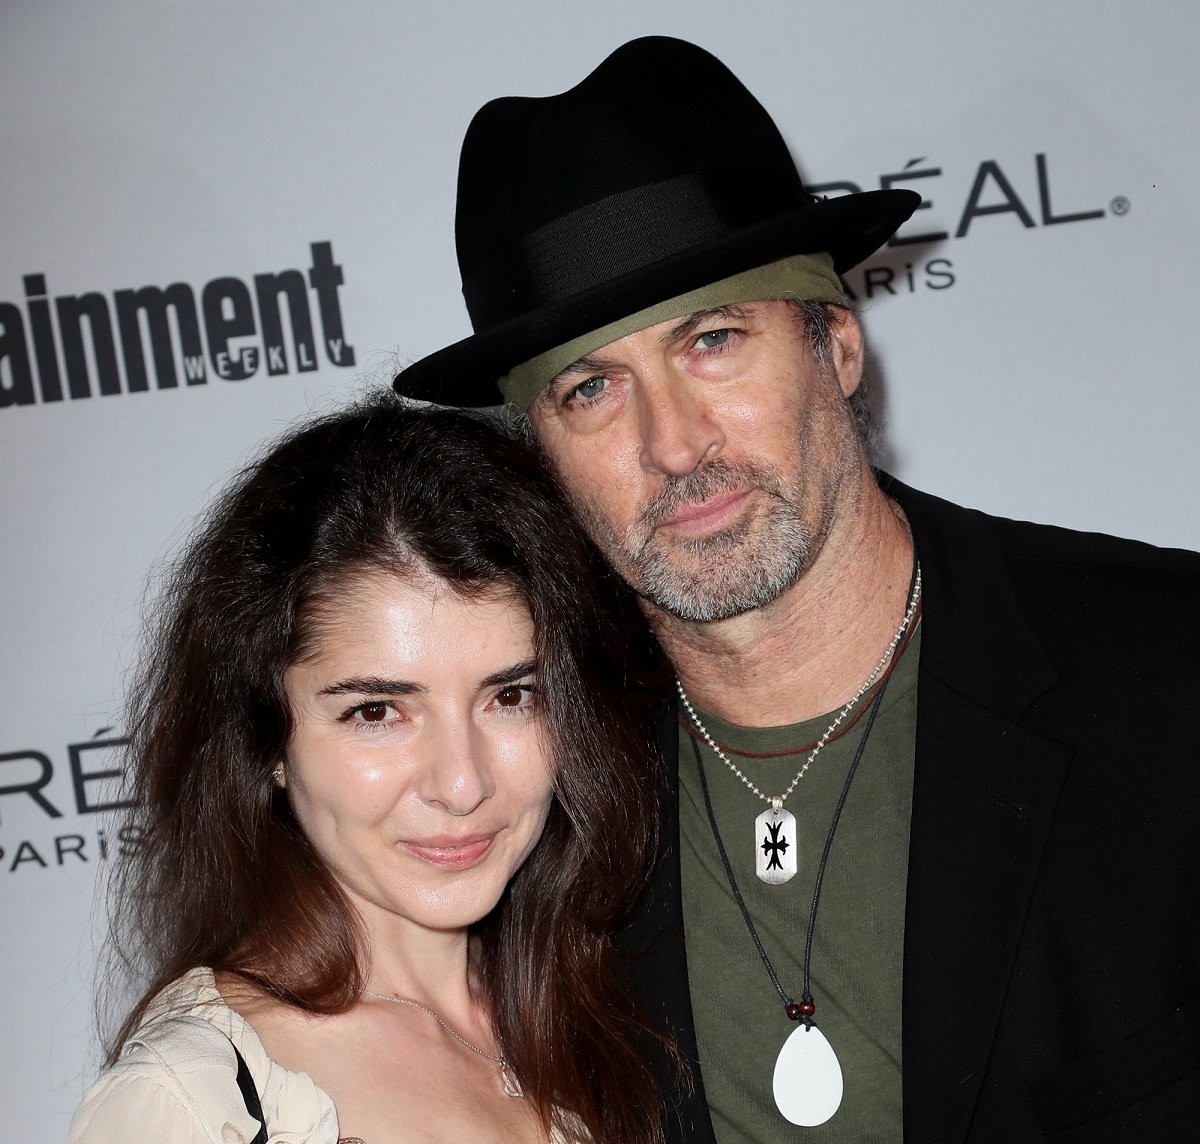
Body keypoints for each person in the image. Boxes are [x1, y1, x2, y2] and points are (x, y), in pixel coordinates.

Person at [393, 35, 1200, 1143]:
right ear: (540, 455)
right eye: (590, 389)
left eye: (713, 340)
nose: (673, 445)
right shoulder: (530, 814)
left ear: (837, 342)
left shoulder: (1169, 677)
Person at [69, 394, 673, 1143]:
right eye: (378, 713)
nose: (463, 784)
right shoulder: (191, 1104)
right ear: (267, 745)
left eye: (512, 696)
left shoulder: (607, 1014)